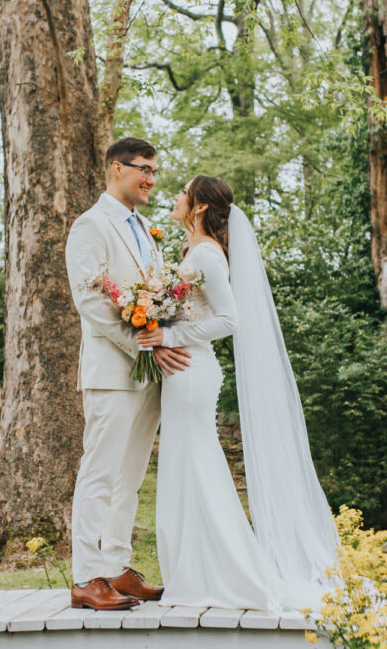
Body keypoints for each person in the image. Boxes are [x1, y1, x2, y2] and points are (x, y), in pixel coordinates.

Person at [136, 175, 341, 612]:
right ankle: (194, 573)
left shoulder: (206, 255)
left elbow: (230, 319)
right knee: (185, 466)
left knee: (198, 466)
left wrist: (168, 339)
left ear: (198, 208)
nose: (174, 196)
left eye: (183, 192)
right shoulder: (194, 251)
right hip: (183, 373)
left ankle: (231, 576)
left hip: (192, 371)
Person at [63, 138, 190, 610]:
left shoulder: (146, 228)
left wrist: (163, 341)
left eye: (156, 172)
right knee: (99, 472)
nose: (153, 180)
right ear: (117, 168)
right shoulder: (90, 225)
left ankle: (116, 567)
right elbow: (90, 299)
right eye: (145, 170)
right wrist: (140, 345)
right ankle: (85, 578)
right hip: (113, 369)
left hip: (149, 373)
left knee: (130, 476)